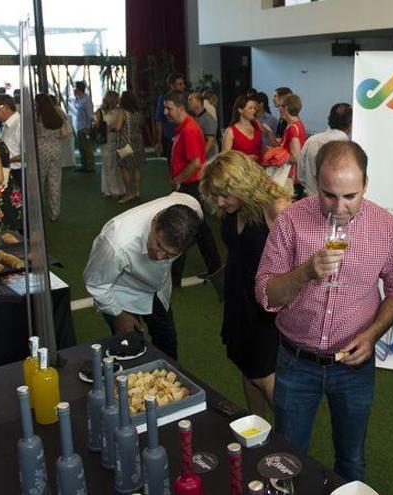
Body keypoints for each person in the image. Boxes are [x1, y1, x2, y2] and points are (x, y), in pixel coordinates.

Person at [255, 140, 393, 481]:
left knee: (351, 461)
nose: (339, 206)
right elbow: (265, 293)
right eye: (329, 195)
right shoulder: (291, 221)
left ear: (366, 185)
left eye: (350, 196)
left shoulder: (386, 229)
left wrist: (371, 337)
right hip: (296, 361)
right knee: (286, 458)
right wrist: (306, 272)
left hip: (354, 366)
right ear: (314, 180)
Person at [200, 151, 291, 418]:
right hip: (238, 299)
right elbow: (235, 250)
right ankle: (259, 428)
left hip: (265, 305)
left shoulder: (277, 207)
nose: (219, 202)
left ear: (244, 185)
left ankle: (294, 438)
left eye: (225, 194)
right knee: (246, 367)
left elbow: (298, 261)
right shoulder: (233, 209)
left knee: (262, 374)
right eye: (214, 195)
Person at [83, 193, 203, 360]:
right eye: (158, 245)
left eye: (170, 254)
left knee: (168, 342)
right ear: (154, 223)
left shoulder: (192, 210)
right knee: (129, 349)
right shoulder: (117, 241)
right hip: (121, 291)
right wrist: (119, 314)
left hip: (157, 288)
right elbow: (96, 284)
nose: (160, 257)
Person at [163, 90, 223, 284]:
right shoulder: (182, 127)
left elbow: (195, 163)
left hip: (190, 185)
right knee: (198, 229)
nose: (165, 112)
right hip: (189, 185)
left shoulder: (189, 129)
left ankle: (175, 277)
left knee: (184, 228)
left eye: (168, 108)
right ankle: (213, 269)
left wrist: (178, 180)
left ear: (180, 109)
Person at [298, 103, 352, 195]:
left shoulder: (312, 140)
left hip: (310, 199)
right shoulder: (346, 147)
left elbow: (301, 175)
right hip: (335, 203)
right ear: (350, 123)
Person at [0, 94, 23, 227]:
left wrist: (4, 161)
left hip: (19, 173)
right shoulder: (6, 124)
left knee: (19, 210)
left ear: (6, 107)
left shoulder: (19, 124)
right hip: (9, 171)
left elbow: (27, 154)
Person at [34, 94, 66, 222]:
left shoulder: (37, 115)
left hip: (41, 150)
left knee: (39, 181)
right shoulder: (58, 112)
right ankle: (54, 213)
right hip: (56, 148)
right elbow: (65, 133)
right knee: (55, 181)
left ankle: (38, 212)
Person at [114, 90, 146, 204]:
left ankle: (128, 194)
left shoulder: (123, 112)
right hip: (138, 142)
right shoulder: (138, 112)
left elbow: (117, 127)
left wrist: (112, 126)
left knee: (124, 168)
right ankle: (137, 191)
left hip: (125, 143)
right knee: (137, 167)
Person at [94, 90, 126, 199]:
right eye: (117, 98)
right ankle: (114, 191)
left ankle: (111, 190)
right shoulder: (100, 112)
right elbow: (95, 124)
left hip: (118, 141)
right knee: (109, 167)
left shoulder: (119, 111)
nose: (119, 100)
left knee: (117, 166)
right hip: (106, 142)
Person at [154, 73, 187, 160]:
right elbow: (159, 120)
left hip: (185, 135)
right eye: (180, 84)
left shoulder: (187, 98)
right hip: (170, 136)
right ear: (171, 86)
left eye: (183, 84)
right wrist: (159, 141)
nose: (183, 86)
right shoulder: (163, 98)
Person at [222, 94, 263, 163]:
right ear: (240, 110)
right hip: (240, 171)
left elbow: (260, 149)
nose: (254, 111)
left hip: (258, 170)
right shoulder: (230, 131)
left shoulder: (257, 126)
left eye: (254, 108)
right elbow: (225, 159)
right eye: (250, 108)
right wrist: (245, 158)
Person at [188, 90, 219, 162]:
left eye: (190, 100)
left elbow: (211, 141)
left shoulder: (208, 119)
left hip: (208, 160)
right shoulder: (196, 118)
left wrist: (200, 157)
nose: (188, 103)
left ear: (198, 102)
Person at [73, 81, 95, 173]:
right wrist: (76, 97)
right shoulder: (80, 99)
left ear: (78, 89)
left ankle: (90, 166)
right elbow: (76, 106)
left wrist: (88, 128)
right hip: (79, 127)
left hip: (84, 128)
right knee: (82, 148)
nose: (74, 89)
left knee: (87, 148)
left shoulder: (87, 100)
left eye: (75, 87)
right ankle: (84, 165)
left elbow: (90, 115)